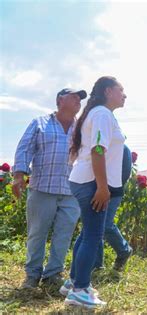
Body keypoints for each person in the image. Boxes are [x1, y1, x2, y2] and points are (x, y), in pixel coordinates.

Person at [62, 76, 127, 308]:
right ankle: (80, 290)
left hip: (85, 179)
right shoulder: (102, 114)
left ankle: (73, 282)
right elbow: (98, 150)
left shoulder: (99, 113)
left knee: (87, 233)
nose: (125, 95)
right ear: (108, 91)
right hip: (92, 181)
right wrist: (102, 186)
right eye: (121, 90)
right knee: (93, 236)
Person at [13, 88, 86, 289]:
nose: (78, 101)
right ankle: (32, 274)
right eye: (74, 97)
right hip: (42, 187)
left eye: (80, 99)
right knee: (37, 232)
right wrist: (19, 175)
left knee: (64, 233)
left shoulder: (82, 128)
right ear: (60, 100)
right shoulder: (40, 123)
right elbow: (25, 148)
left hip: (71, 190)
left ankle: (53, 274)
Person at [93, 144, 133, 272]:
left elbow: (125, 173)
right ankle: (97, 264)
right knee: (95, 227)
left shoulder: (123, 148)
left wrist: (107, 189)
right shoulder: (97, 145)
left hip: (113, 193)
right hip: (94, 191)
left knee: (105, 225)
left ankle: (124, 250)